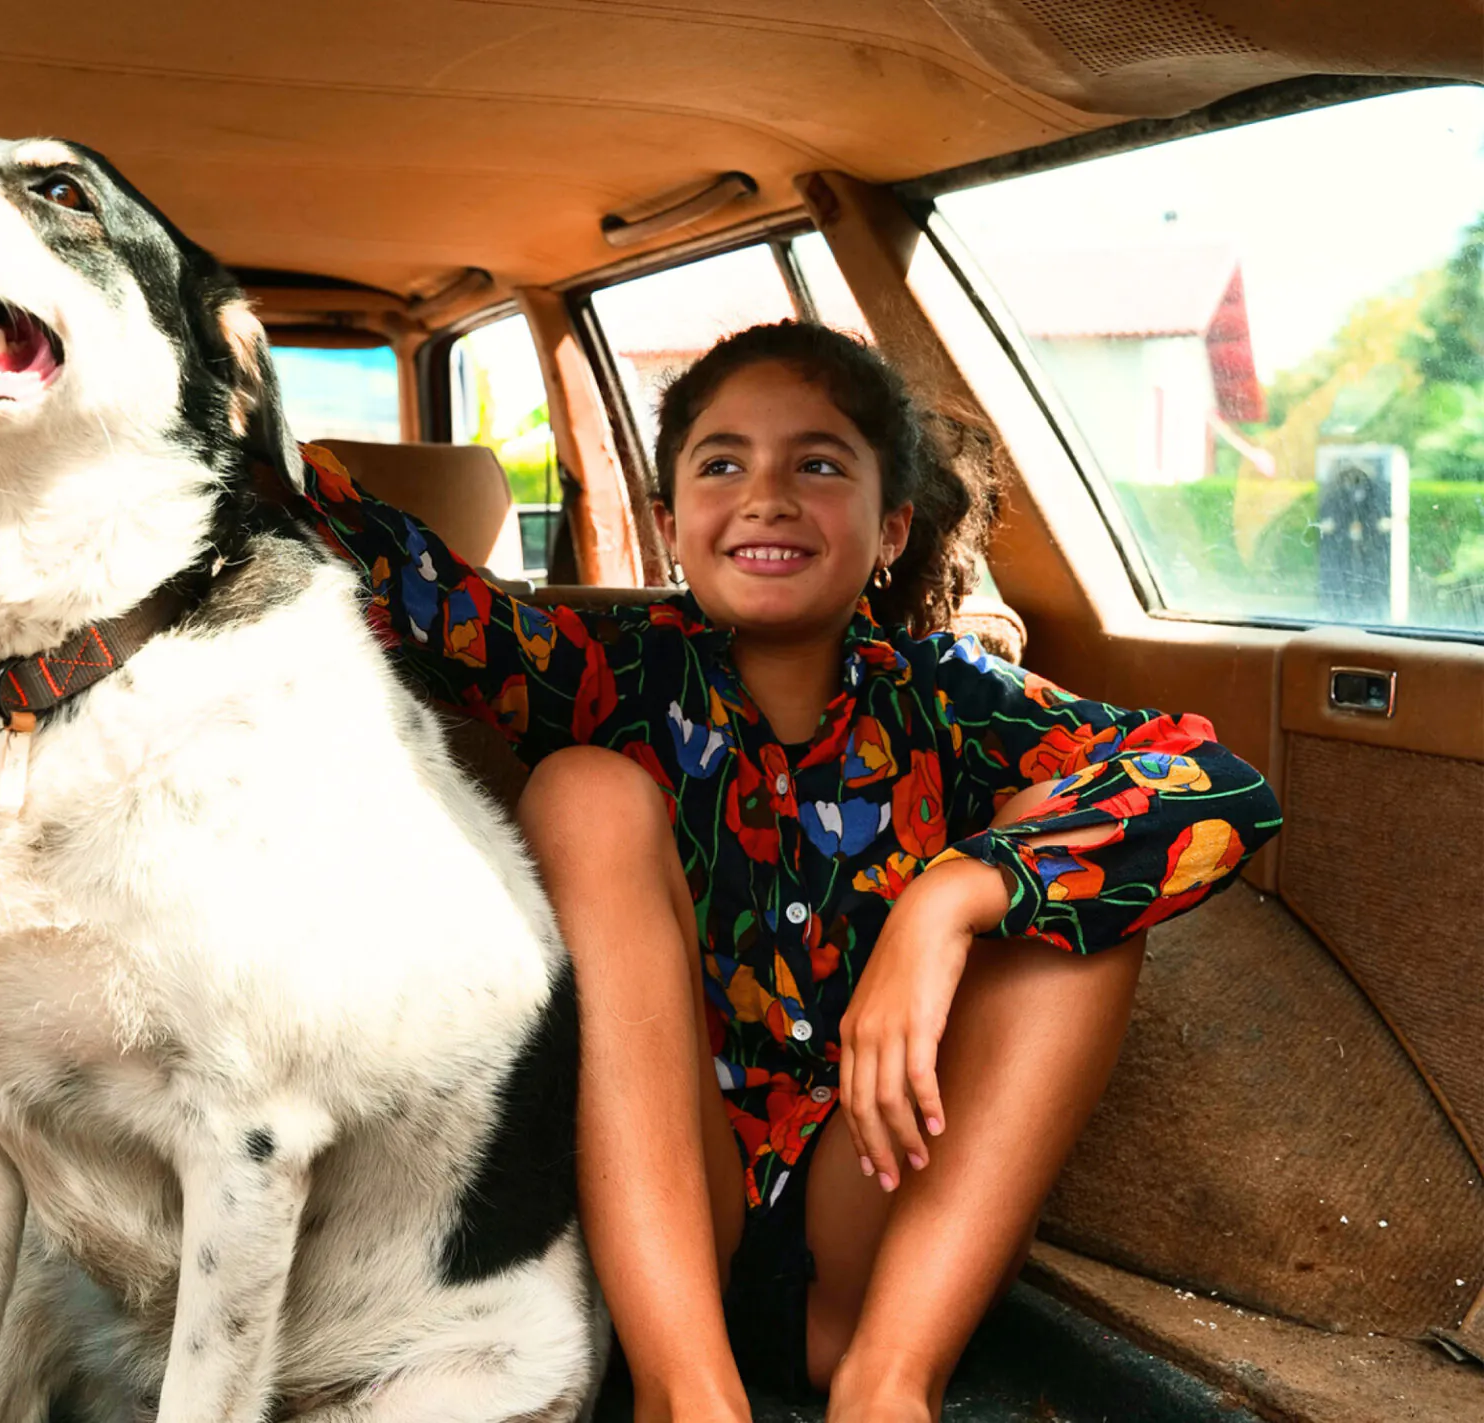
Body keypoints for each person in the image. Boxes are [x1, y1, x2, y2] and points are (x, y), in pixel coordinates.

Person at [290, 320, 1282, 1423]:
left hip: (880, 1232)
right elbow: (402, 579)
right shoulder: (606, 671)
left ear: (891, 525)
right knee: (583, 787)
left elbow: (1216, 781)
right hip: (666, 1219)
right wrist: (220, 402)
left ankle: (889, 1392)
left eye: (817, 463)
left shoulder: (954, 697)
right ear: (671, 525)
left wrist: (950, 901)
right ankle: (689, 1397)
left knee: (1079, 877)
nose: (766, 495)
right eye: (723, 464)